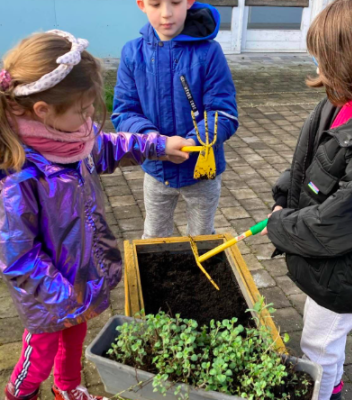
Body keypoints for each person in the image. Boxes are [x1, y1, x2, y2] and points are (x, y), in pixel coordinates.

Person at [0, 30, 192, 400]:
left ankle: (69, 388)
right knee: (38, 355)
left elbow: (109, 146)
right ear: (42, 111)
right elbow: (18, 257)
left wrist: (159, 145)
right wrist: (66, 295)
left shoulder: (72, 138)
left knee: (76, 338)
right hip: (49, 294)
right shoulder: (20, 175)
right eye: (84, 110)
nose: (91, 117)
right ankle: (19, 393)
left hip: (81, 277)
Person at [262, 0, 352, 398]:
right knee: (323, 336)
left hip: (349, 271)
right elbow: (316, 159)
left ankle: (324, 392)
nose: (317, 69)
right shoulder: (341, 100)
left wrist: (279, 225)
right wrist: (285, 193)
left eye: (324, 58)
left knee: (318, 345)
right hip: (330, 263)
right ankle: (334, 383)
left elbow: (337, 222)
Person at [112, 0, 238, 238]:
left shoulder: (210, 53)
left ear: (189, 2)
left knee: (202, 239)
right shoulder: (132, 53)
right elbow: (124, 112)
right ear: (141, 4)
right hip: (157, 168)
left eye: (176, 2)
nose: (166, 13)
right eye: (156, 4)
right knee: (154, 237)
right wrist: (155, 142)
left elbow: (223, 112)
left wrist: (194, 142)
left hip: (202, 169)